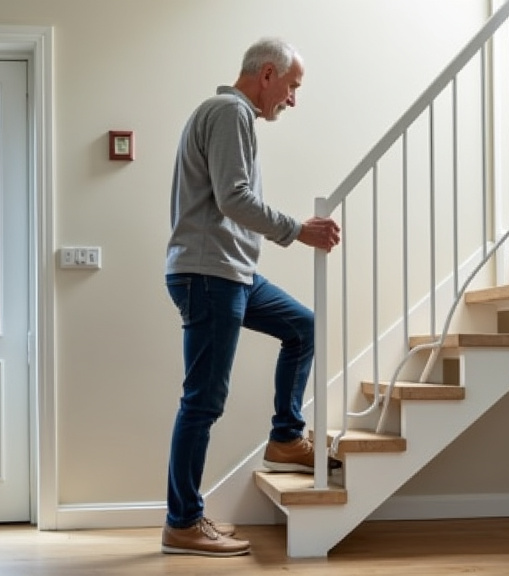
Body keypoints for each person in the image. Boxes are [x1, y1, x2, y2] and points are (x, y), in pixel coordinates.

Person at [161, 37, 342, 557]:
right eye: (292, 86)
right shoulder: (228, 111)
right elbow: (234, 197)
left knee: (304, 326)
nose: (292, 99)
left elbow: (230, 199)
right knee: (203, 402)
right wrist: (296, 230)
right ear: (267, 74)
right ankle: (183, 521)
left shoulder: (231, 115)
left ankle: (286, 435)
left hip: (230, 272)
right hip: (209, 275)